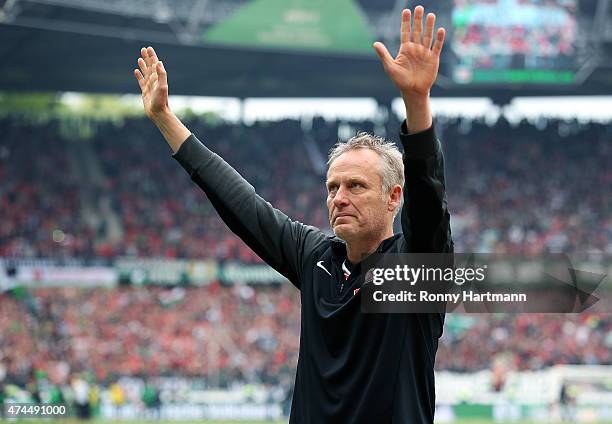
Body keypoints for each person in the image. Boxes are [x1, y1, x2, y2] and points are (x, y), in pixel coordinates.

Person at [134, 5, 451, 423]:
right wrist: (165, 119)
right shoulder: (316, 257)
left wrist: (416, 102)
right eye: (333, 187)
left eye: (356, 186)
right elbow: (241, 203)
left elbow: (429, 201)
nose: (339, 197)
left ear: (394, 198)